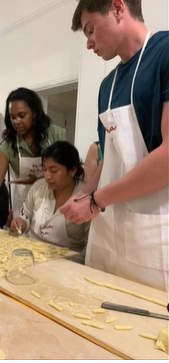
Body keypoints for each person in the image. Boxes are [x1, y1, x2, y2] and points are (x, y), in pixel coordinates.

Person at [60, 0, 169, 291]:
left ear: (118, 8)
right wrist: (84, 193)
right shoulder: (106, 86)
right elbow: (111, 160)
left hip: (153, 234)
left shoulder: (165, 53)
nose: (89, 44)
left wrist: (97, 201)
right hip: (107, 233)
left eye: (91, 30)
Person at [0, 87, 66, 231]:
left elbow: (69, 172)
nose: (17, 121)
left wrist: (39, 180)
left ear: (34, 113)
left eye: (22, 115)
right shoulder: (8, 145)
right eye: (12, 117)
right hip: (25, 203)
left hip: (55, 199)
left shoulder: (55, 134)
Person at [10, 141, 90, 261]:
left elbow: (89, 247)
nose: (47, 176)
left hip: (66, 262)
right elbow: (26, 216)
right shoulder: (38, 187)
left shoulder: (86, 197)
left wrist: (70, 264)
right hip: (31, 253)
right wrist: (20, 223)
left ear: (72, 170)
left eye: (54, 171)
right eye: (45, 169)